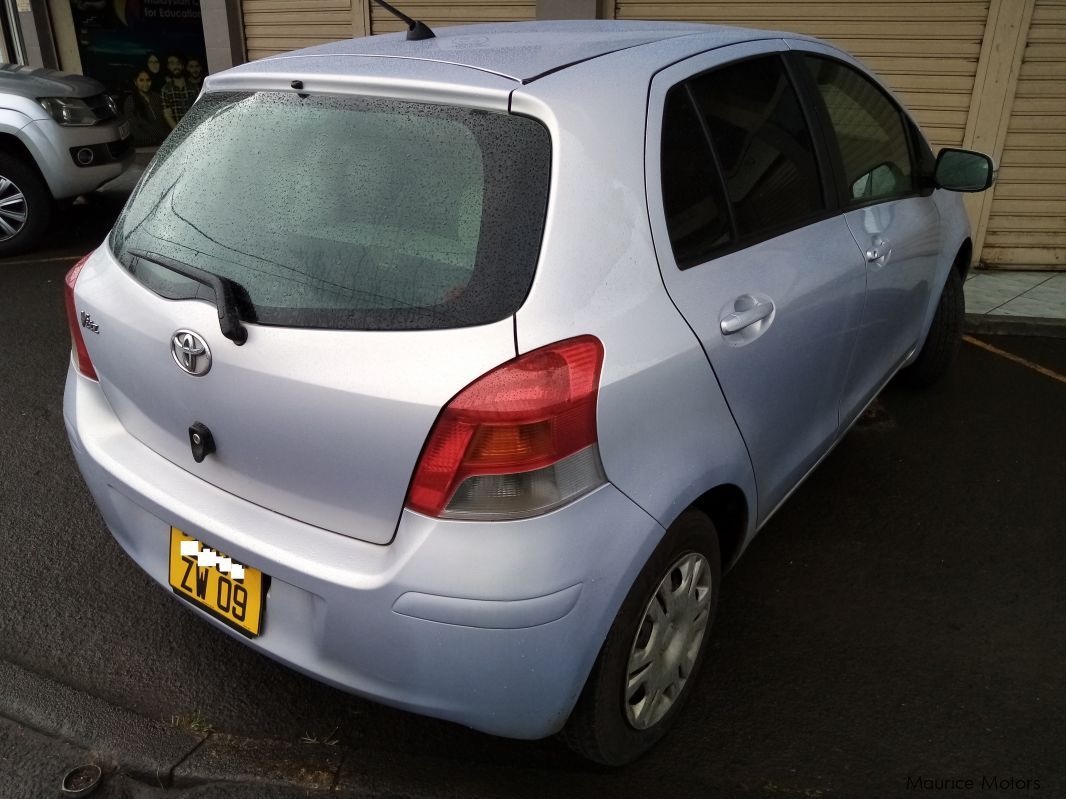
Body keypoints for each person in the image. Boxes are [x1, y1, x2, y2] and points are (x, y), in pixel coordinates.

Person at [123, 69, 169, 146]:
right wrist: (153, 141)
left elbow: (164, 121)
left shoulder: (157, 97)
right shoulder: (130, 101)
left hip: (164, 141)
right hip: (145, 145)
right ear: (135, 82)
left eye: (148, 80)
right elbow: (133, 127)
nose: (145, 83)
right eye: (141, 80)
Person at [161, 54, 195, 129]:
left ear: (183, 66)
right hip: (178, 133)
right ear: (168, 66)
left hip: (196, 129)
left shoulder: (194, 87)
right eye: (172, 63)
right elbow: (168, 116)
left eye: (178, 63)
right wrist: (179, 133)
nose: (176, 66)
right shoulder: (166, 90)